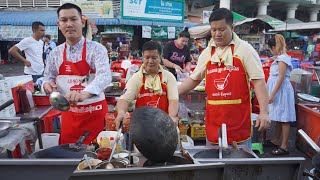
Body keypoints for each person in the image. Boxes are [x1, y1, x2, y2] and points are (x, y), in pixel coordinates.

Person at [178, 8, 271, 148]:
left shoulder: (245, 50)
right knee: (214, 167)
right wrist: (172, 93)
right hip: (214, 122)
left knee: (238, 167)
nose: (217, 34)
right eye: (213, 30)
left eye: (221, 29)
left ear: (232, 27)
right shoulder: (207, 53)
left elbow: (259, 82)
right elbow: (194, 79)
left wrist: (264, 112)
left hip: (238, 122)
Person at [42, 3, 111, 144]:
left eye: (74, 19)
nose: (69, 24)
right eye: (64, 20)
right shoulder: (55, 53)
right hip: (69, 118)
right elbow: (47, 76)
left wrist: (83, 94)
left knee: (99, 157)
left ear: (83, 22)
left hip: (95, 115)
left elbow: (104, 76)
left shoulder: (97, 49)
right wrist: (46, 84)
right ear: (59, 24)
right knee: (68, 158)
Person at [115, 40, 179, 129]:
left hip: (164, 127)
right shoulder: (136, 78)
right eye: (147, 57)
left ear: (160, 58)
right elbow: (124, 99)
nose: (150, 61)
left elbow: (173, 100)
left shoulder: (168, 77)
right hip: (141, 128)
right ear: (142, 58)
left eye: (154, 57)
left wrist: (172, 117)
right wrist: (121, 112)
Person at [264, 34, 296, 156]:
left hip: (281, 91)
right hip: (280, 91)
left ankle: (284, 146)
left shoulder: (282, 58)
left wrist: (271, 94)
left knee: (285, 118)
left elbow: (281, 77)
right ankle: (276, 140)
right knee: (279, 116)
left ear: (273, 47)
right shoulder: (280, 57)